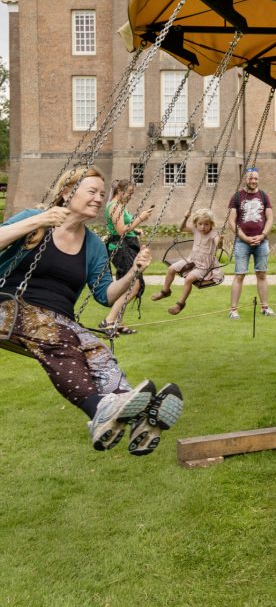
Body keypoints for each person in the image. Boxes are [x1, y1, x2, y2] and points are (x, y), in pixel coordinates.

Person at [0, 167, 183, 455]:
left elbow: (107, 296)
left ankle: (137, 419)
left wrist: (133, 271)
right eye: (92, 191)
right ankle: (99, 410)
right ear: (67, 193)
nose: (99, 198)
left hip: (59, 320)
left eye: (102, 193)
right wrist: (40, 219)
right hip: (9, 306)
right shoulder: (33, 220)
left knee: (98, 351)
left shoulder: (94, 245)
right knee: (58, 337)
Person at [101, 178, 154, 334]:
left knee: (128, 284)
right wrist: (140, 219)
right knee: (134, 284)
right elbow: (121, 230)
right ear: (120, 192)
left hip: (126, 246)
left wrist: (135, 230)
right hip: (120, 248)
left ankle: (118, 321)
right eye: (129, 193)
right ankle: (109, 320)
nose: (131, 196)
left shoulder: (121, 206)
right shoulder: (115, 206)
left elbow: (126, 227)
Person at [152, 207, 224, 315]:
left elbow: (218, 245)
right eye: (200, 224)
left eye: (206, 224)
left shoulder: (213, 234)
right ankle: (165, 291)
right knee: (171, 269)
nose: (203, 227)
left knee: (189, 279)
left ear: (211, 224)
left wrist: (220, 241)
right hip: (192, 259)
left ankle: (180, 304)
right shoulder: (195, 230)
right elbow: (181, 228)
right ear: (196, 223)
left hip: (204, 265)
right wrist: (185, 217)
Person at [227, 166, 274, 319]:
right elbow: (231, 221)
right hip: (242, 243)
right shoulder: (237, 197)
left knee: (261, 274)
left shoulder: (264, 196)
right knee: (239, 275)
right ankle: (233, 310)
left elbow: (270, 218)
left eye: (255, 179)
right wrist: (244, 238)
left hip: (262, 241)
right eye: (250, 178)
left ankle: (265, 307)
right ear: (245, 179)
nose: (253, 181)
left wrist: (262, 235)